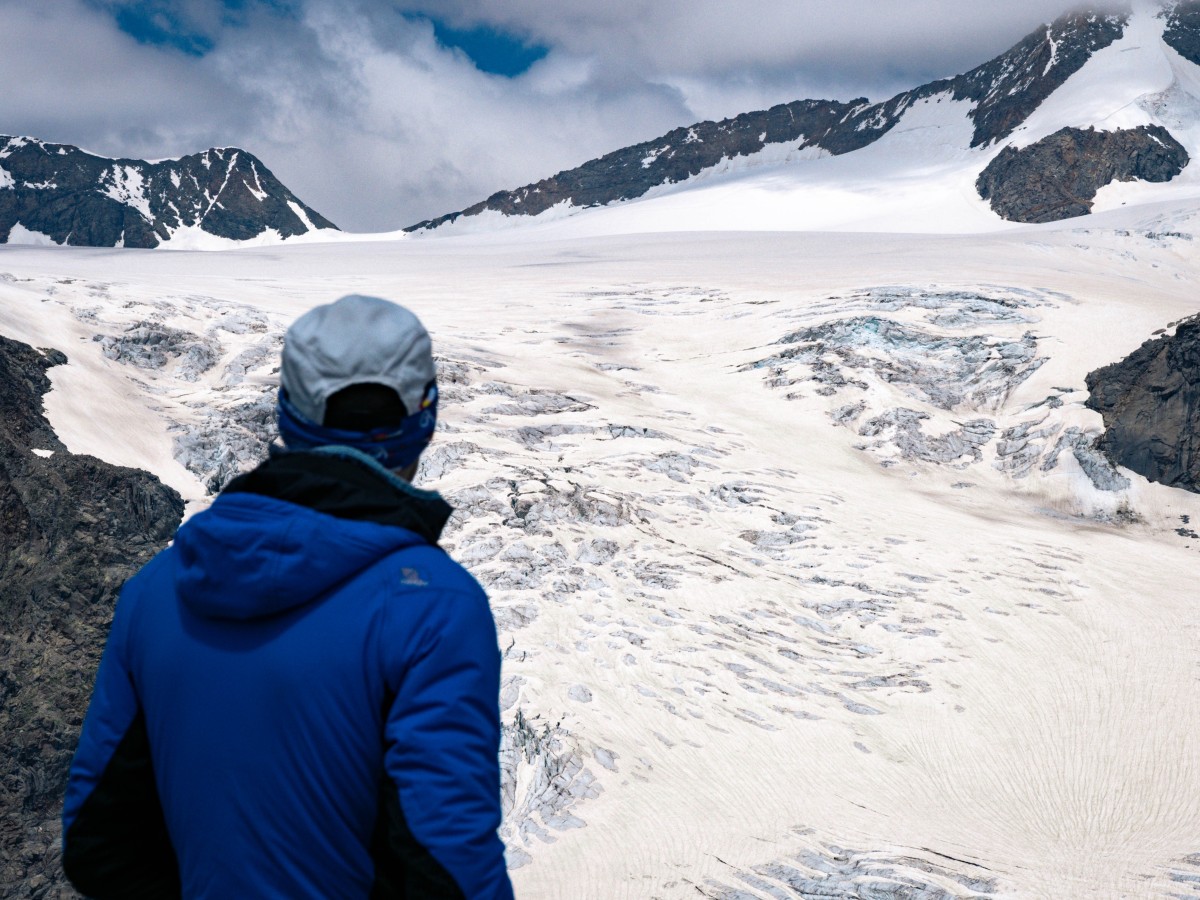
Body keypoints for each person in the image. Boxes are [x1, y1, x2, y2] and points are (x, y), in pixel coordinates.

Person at [62, 295, 514, 899]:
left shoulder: (157, 588)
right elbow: (450, 867)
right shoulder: (432, 606)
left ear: (285, 413)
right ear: (425, 418)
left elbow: (99, 843)